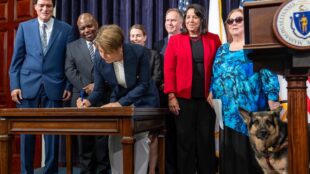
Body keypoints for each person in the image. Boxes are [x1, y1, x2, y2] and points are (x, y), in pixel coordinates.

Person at [76, 24, 159, 174]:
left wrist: (120, 104)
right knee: (114, 138)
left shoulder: (139, 52)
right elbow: (99, 89)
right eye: (100, 51)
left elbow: (144, 85)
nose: (103, 55)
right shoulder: (99, 57)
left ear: (120, 47)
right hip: (120, 101)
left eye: (107, 52)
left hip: (143, 100)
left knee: (139, 137)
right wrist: (88, 102)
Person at [209, 8, 280, 174]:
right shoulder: (222, 50)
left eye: (238, 19)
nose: (234, 23)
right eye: (230, 21)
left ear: (246, 23)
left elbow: (268, 73)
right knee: (232, 159)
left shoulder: (256, 46)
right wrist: (212, 93)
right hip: (227, 114)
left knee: (253, 160)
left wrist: (272, 97)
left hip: (254, 114)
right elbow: (216, 76)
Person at [9, 0, 74, 173]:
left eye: (49, 6)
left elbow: (70, 62)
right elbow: (17, 60)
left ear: (53, 8)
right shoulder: (24, 27)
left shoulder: (66, 29)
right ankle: (26, 171)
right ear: (35, 7)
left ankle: (50, 171)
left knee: (53, 134)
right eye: (42, 6)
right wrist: (15, 86)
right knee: (27, 133)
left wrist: (68, 85)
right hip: (28, 86)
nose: (45, 9)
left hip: (55, 86)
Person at [164, 4, 221, 174]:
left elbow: (219, 68)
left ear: (201, 19)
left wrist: (214, 90)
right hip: (182, 99)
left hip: (207, 99)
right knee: (185, 142)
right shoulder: (175, 41)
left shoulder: (214, 39)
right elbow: (169, 70)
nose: (190, 20)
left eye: (195, 17)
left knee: (205, 141)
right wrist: (171, 96)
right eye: (188, 17)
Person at [65, 13, 110, 174]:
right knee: (84, 141)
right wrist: (87, 86)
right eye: (82, 28)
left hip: (104, 98)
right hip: (81, 99)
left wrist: (97, 85)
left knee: (102, 141)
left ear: (96, 24)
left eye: (89, 26)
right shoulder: (72, 46)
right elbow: (69, 70)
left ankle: (103, 171)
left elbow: (113, 67)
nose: (87, 30)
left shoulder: (107, 43)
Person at [152, 8, 183, 174]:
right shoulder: (158, 44)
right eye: (167, 20)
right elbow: (156, 68)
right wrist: (164, 84)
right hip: (164, 96)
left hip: (183, 95)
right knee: (168, 136)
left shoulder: (187, 40)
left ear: (181, 23)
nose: (169, 23)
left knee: (182, 136)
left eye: (173, 20)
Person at [129, 24, 162, 174]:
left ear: (145, 38)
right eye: (132, 36)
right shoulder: (126, 55)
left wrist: (141, 86)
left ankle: (151, 170)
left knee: (152, 136)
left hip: (150, 101)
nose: (135, 38)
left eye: (138, 35)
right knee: (133, 137)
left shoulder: (154, 54)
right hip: (131, 102)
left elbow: (156, 78)